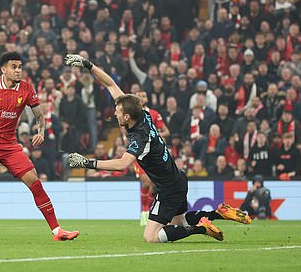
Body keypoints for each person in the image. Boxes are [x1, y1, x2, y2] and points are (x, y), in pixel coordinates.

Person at [64, 54, 251, 243]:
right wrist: (89, 65)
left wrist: (88, 163)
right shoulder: (142, 114)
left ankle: (201, 228)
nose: (115, 113)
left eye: (118, 111)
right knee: (180, 221)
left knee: (151, 237)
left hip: (168, 189)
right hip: (177, 179)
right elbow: (111, 85)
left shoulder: (139, 137)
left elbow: (122, 164)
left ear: (127, 116)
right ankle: (219, 213)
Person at [0, 52, 79, 241]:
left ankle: (57, 231)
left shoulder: (26, 89)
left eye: (20, 67)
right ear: (3, 69)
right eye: (13, 67)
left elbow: (39, 116)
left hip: (9, 144)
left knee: (34, 180)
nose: (18, 70)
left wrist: (41, 131)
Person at [132, 91, 170, 226]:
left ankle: (147, 211)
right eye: (138, 97)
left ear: (147, 98)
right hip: (137, 153)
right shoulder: (132, 115)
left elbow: (166, 131)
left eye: (143, 96)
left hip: (151, 154)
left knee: (152, 183)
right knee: (146, 182)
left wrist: (154, 135)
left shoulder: (154, 114)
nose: (141, 98)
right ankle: (144, 211)